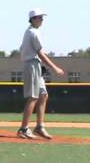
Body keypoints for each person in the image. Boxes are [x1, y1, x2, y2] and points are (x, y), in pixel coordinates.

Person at [17, 8, 64, 139]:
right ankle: (24, 129)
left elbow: (22, 48)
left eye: (42, 17)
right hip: (32, 64)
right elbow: (40, 53)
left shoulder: (30, 32)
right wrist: (55, 68)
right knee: (33, 97)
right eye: (39, 17)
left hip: (35, 64)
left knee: (43, 95)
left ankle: (39, 127)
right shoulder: (33, 33)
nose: (42, 20)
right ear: (33, 19)